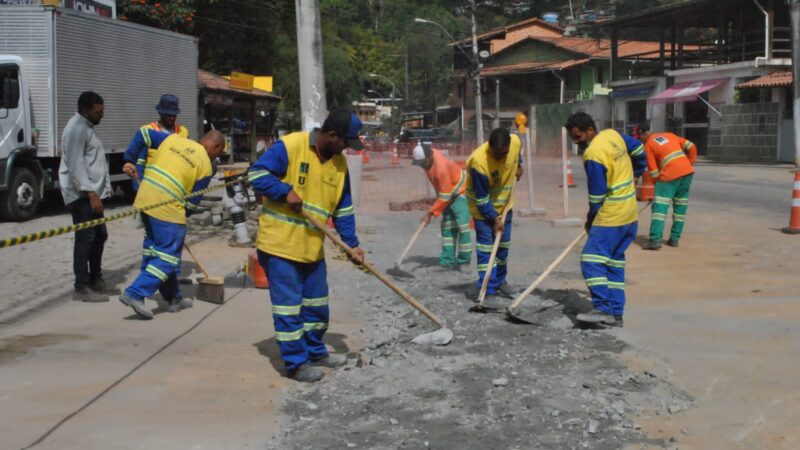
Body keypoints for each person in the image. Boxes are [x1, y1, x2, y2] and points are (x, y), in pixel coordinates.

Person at [247, 108, 365, 383]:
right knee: (288, 309)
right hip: (280, 247)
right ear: (332, 135)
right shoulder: (291, 146)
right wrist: (283, 191)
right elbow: (255, 175)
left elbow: (343, 209)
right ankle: (295, 363)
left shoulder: (338, 164)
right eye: (346, 142)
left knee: (316, 306)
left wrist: (352, 244)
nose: (347, 148)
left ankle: (315, 351)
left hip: (311, 248)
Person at [119, 130, 226, 319]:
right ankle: (135, 293)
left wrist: (129, 159)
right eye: (218, 154)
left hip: (145, 199)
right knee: (168, 258)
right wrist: (178, 223)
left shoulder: (172, 139)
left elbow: (143, 134)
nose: (215, 158)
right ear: (215, 147)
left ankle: (174, 298)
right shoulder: (205, 166)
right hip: (167, 207)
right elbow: (192, 203)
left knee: (155, 252)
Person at [564, 112, 645, 327]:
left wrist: (591, 219)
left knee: (590, 260)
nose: (576, 141)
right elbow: (638, 148)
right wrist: (638, 170)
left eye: (578, 136)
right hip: (629, 214)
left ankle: (602, 308)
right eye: (573, 137)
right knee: (613, 263)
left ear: (590, 130)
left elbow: (597, 196)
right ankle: (616, 314)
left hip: (612, 216)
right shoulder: (613, 135)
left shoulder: (593, 154)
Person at [59, 91, 113, 303]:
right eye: (99, 111)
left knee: (100, 235)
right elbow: (76, 165)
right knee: (85, 238)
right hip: (81, 195)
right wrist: (91, 193)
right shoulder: (76, 129)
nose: (102, 115)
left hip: (93, 194)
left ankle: (95, 279)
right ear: (87, 109)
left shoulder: (87, 129)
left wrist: (102, 189)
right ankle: (81, 286)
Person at [465, 128, 523, 300]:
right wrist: (494, 219)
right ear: (489, 147)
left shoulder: (515, 142)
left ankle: (500, 281)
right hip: (483, 210)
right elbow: (481, 199)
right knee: (486, 249)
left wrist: (519, 164)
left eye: (504, 154)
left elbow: (517, 152)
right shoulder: (479, 162)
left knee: (503, 247)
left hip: (505, 205)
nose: (501, 158)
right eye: (497, 154)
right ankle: (487, 289)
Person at [636, 124, 697, 250]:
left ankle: (655, 240)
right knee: (680, 207)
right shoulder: (670, 135)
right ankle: (674, 239)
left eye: (639, 137)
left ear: (644, 134)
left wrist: (657, 188)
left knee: (659, 209)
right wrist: (689, 163)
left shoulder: (648, 146)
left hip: (669, 176)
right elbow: (691, 146)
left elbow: (653, 171)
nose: (639, 140)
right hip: (687, 174)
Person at [412, 141, 472, 269]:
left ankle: (464, 261)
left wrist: (430, 213)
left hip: (461, 192)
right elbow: (444, 194)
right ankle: (447, 261)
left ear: (429, 158)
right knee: (447, 228)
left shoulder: (441, 168)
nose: (422, 166)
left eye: (423, 163)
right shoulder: (429, 157)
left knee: (462, 227)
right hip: (447, 194)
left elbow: (445, 196)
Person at [128, 94, 190, 188]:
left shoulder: (183, 132)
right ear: (160, 113)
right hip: (152, 185)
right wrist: (139, 187)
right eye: (168, 115)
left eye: (174, 115)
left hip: (175, 185)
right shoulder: (147, 131)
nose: (172, 118)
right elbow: (140, 162)